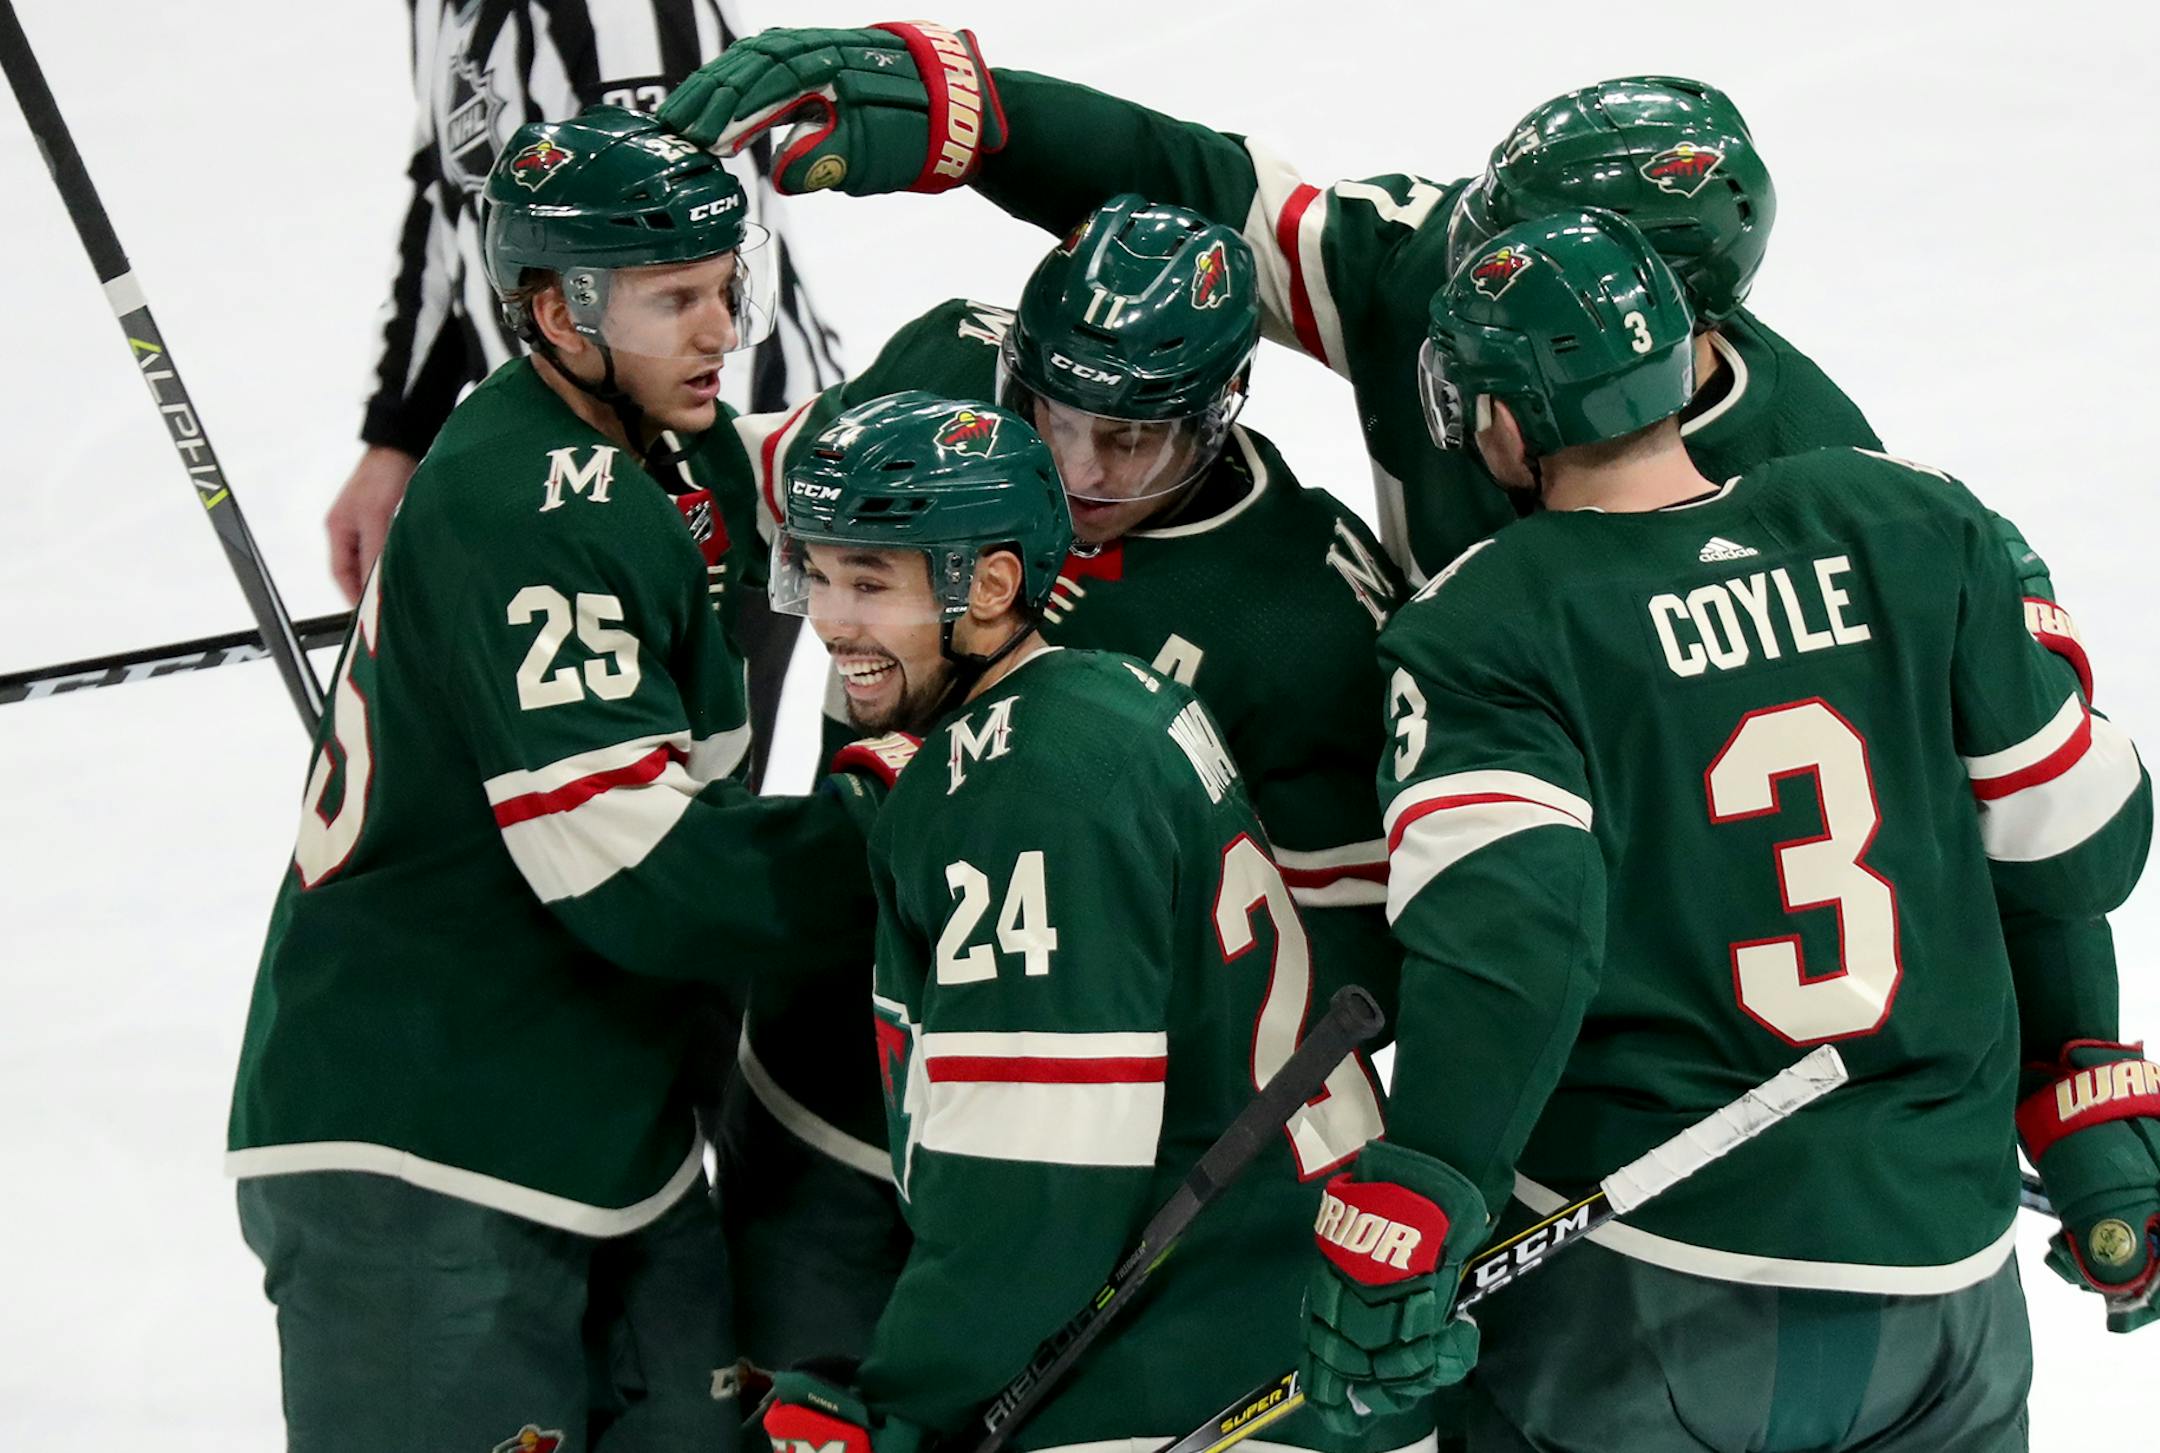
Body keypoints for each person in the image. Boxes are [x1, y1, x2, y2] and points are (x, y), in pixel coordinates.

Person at [1292, 208, 2156, 1451]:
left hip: (1649, 1284)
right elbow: (2083, 849)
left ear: (1505, 415)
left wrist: (1424, 1188)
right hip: (1944, 1277)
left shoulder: (1485, 622)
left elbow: (1515, 949)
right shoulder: (1909, 524)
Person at [226, 107, 891, 1453]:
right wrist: (900, 826)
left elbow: (838, 464)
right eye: (673, 301)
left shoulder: (653, 448)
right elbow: (643, 876)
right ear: (555, 308)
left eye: (725, 289)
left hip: (602, 1117)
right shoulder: (535, 511)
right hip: (422, 1145)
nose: (721, 333)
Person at [717, 196, 1402, 1370]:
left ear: (1222, 406)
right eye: (1052, 411)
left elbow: (1338, 969)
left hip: (1071, 1155)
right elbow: (740, 497)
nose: (1079, 468)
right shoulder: (941, 374)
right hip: (822, 1073)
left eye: (1134, 436)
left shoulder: (1306, 616)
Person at [333, 0, 845, 785]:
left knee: (684, 852)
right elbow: (455, 191)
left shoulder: (624, 17)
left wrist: (682, 518)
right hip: (586, 481)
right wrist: (396, 435)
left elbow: (694, 281)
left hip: (707, 484)